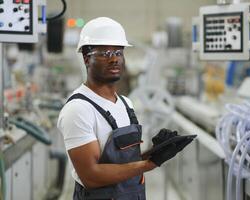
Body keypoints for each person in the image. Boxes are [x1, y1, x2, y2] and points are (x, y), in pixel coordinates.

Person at [57, 17, 192, 200]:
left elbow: (125, 164)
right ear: (87, 59)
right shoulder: (78, 109)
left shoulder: (126, 103)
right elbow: (91, 176)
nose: (114, 59)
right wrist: (148, 165)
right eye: (105, 53)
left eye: (119, 52)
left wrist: (155, 152)